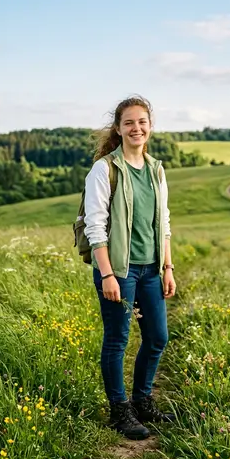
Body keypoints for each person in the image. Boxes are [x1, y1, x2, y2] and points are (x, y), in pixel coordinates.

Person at [84, 95, 177, 440]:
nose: (136, 128)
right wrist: (107, 274)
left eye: (142, 122)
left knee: (157, 338)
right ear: (119, 129)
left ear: (150, 126)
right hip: (119, 272)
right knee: (117, 340)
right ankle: (119, 410)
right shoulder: (105, 169)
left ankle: (143, 401)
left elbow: (163, 222)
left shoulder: (156, 169)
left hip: (151, 269)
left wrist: (168, 266)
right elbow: (95, 227)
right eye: (129, 123)